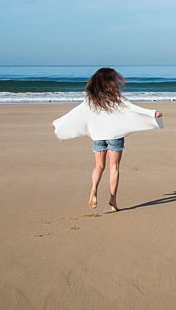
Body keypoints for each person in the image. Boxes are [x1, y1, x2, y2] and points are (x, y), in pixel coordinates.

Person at [51, 68, 163, 211]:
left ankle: (94, 188)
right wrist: (153, 113)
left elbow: (74, 114)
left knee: (99, 166)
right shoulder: (116, 98)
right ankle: (113, 199)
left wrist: (57, 124)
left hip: (98, 137)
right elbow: (134, 108)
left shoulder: (91, 99)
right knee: (114, 167)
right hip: (115, 136)